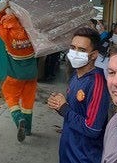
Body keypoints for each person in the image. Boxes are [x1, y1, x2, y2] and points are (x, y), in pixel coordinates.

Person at [47, 27, 110, 163]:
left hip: (84, 157)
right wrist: (59, 106)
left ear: (94, 55)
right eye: (73, 47)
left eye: (82, 50)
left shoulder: (97, 83)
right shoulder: (76, 75)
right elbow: (73, 111)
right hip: (67, 152)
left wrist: (64, 109)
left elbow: (92, 128)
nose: (75, 53)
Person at [0, 8, 38, 142]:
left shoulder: (5, 33)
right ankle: (28, 129)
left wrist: (3, 10)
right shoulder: (30, 31)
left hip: (15, 74)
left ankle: (19, 118)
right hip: (32, 74)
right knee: (28, 99)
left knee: (9, 94)